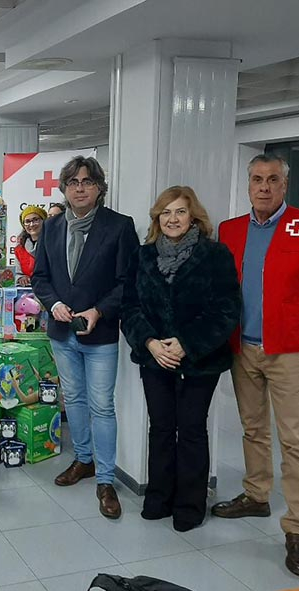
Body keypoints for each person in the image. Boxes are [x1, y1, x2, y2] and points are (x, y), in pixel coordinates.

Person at [121, 186, 240, 532]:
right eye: (166, 213)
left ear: (193, 217)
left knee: (190, 430)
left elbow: (226, 309)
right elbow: (130, 307)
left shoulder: (215, 255)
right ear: (158, 219)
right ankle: (158, 498)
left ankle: (190, 506)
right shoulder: (142, 257)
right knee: (160, 429)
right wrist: (151, 343)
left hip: (200, 361)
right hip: (153, 358)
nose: (173, 219)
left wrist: (186, 344)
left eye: (180, 212)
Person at [212, 154, 299, 578]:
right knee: (253, 427)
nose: (264, 187)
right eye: (256, 179)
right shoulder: (230, 231)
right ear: (248, 185)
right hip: (242, 347)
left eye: (272, 180)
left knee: (296, 440)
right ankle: (256, 494)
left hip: (290, 350)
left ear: (285, 185)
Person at [31, 155, 139, 519]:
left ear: (99, 188)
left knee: (101, 406)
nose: (80, 188)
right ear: (64, 188)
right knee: (73, 399)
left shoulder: (120, 227)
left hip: (100, 334)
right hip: (62, 331)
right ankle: (83, 459)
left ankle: (106, 480)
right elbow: (40, 278)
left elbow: (128, 282)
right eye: (73, 182)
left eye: (87, 182)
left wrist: (99, 311)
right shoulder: (51, 227)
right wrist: (54, 303)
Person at [14, 205, 48, 278]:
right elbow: (17, 273)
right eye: (27, 221)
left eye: (35, 220)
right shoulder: (20, 248)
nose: (32, 224)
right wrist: (21, 278)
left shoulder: (53, 243)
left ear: (44, 221)